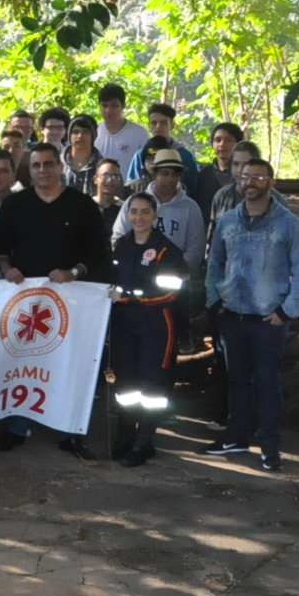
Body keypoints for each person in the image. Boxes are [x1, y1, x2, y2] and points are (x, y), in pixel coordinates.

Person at [0, 143, 111, 461]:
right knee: (21, 363)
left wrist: (74, 272)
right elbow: (1, 249)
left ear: (60, 167)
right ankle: (17, 427)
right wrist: (7, 268)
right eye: (35, 166)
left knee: (68, 363)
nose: (42, 170)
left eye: (48, 164)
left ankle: (69, 431)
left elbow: (99, 251)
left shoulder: (82, 205)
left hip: (71, 302)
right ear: (28, 170)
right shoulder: (14, 205)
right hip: (25, 302)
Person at [205, 159, 299, 473]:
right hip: (232, 317)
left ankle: (269, 447)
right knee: (236, 380)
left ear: (271, 182)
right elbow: (214, 265)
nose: (250, 182)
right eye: (246, 176)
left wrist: (286, 311)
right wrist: (215, 302)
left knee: (267, 383)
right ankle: (236, 437)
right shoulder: (227, 222)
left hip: (268, 320)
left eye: (258, 177)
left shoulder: (289, 224)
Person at [107, 191, 188, 468]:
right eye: (133, 212)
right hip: (124, 325)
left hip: (156, 325)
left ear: (155, 215)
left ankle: (144, 443)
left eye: (144, 212)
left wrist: (131, 297)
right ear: (127, 215)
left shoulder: (167, 250)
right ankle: (125, 438)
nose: (138, 217)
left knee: (153, 386)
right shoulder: (121, 245)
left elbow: (170, 293)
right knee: (126, 384)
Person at [124, 102, 201, 181]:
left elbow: (194, 185)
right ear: (149, 125)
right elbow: (131, 184)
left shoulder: (184, 155)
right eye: (154, 123)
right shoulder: (140, 155)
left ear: (172, 125)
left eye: (163, 123)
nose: (158, 127)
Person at [190, 121, 244, 214]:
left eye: (228, 140)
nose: (222, 144)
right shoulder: (204, 174)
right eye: (218, 140)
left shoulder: (244, 174)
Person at [93, 84, 146, 170]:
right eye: (104, 105)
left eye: (114, 106)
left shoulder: (139, 133)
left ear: (123, 106)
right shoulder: (94, 131)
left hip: (129, 183)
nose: (108, 110)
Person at [63, 115, 102, 196]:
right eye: (75, 132)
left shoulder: (104, 167)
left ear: (93, 136)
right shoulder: (56, 164)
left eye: (86, 132)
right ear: (69, 135)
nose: (80, 136)